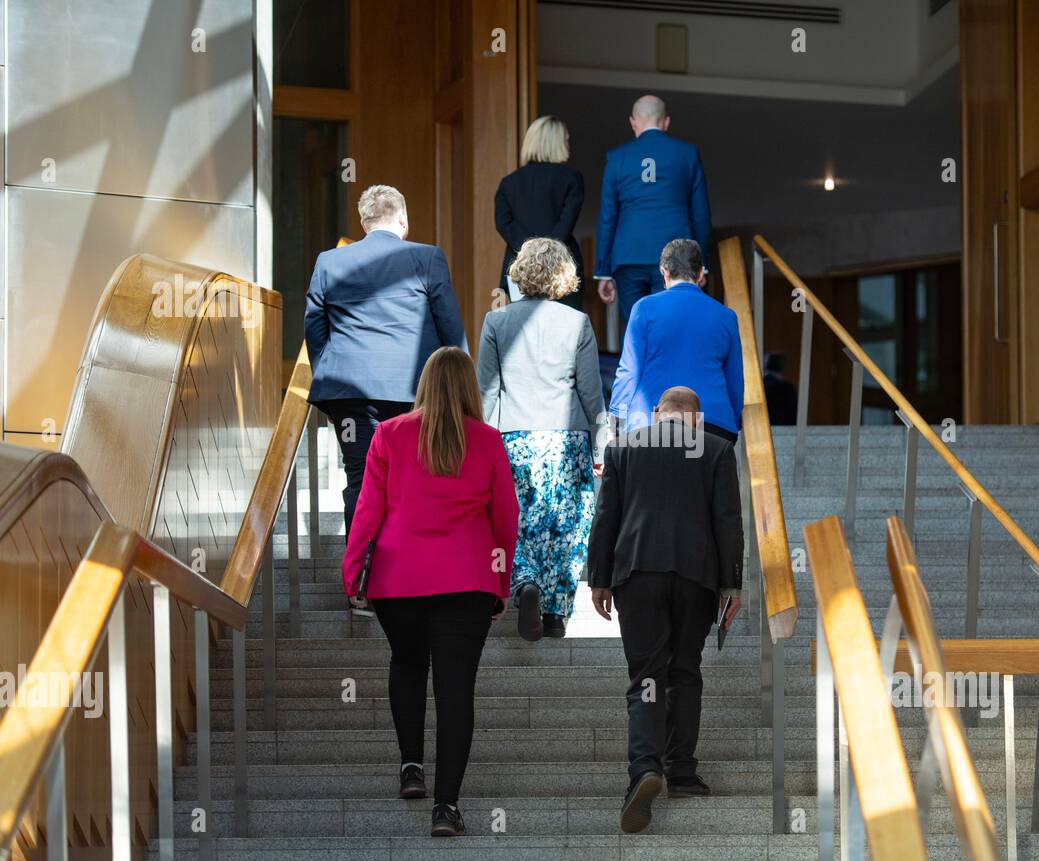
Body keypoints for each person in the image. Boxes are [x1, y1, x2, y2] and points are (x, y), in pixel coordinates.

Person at [341, 347, 519, 838]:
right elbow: (505, 519)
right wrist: (501, 580)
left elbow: (367, 511)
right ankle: (447, 809)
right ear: (468, 387)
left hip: (398, 583)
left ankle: (410, 767)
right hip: (467, 582)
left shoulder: (388, 434)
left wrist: (352, 572)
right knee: (455, 688)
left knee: (407, 664)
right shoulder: (486, 441)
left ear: (423, 384)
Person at [587, 386, 744, 834]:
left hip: (636, 573)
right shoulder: (717, 449)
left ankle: (645, 768)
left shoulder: (624, 449)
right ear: (696, 418)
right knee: (685, 671)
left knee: (647, 677)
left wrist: (599, 578)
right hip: (696, 575)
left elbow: (606, 517)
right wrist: (732, 584)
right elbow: (728, 521)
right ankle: (682, 772)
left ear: (658, 414)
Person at [305, 184, 467, 553]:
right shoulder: (427, 258)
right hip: (415, 392)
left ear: (363, 223)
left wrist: (328, 374)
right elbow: (450, 328)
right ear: (403, 219)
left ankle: (360, 580)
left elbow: (315, 326)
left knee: (360, 478)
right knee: (418, 477)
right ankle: (412, 574)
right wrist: (461, 389)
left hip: (349, 395)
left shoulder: (329, 261)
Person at [477, 238, 608, 641]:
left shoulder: (496, 322)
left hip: (513, 437)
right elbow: (590, 391)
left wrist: (480, 447)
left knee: (517, 520)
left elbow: (486, 391)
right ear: (562, 275)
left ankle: (525, 584)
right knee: (568, 524)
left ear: (521, 273)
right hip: (566, 437)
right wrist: (601, 445)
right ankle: (556, 611)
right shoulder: (577, 323)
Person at [609, 239, 744, 442]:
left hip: (649, 422)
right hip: (713, 424)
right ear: (701, 274)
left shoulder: (644, 308)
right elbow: (735, 379)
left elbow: (630, 369)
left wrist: (616, 419)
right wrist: (732, 421)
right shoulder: (727, 316)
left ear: (664, 272)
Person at [595, 95, 712, 327]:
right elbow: (701, 214)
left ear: (633, 122)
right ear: (665, 122)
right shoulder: (687, 154)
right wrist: (702, 265)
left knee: (638, 329)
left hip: (628, 256)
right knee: (670, 329)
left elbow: (608, 216)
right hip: (676, 257)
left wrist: (603, 271)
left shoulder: (617, 158)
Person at [494, 115, 586, 312]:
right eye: (566, 139)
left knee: (524, 336)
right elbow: (566, 223)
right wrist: (546, 252)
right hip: (563, 268)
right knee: (566, 333)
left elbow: (503, 224)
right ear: (555, 143)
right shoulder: (571, 178)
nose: (568, 144)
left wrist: (530, 253)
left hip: (519, 267)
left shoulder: (509, 183)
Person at [763, 353, 798, 426]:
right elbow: (794, 414)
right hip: (785, 431)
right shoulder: (788, 388)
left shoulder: (759, 388)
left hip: (762, 430)